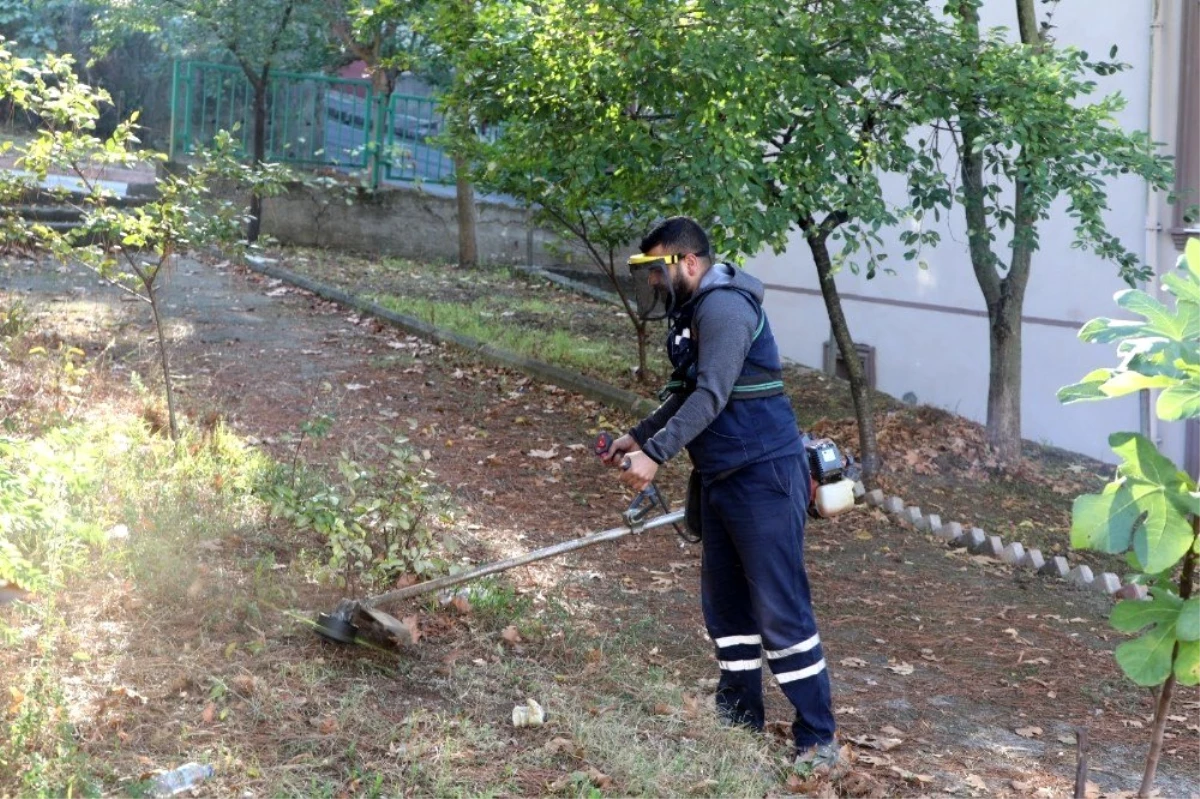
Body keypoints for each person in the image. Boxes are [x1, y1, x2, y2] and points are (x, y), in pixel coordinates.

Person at [600, 216, 841, 775]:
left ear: (688, 262)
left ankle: (818, 738)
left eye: (658, 270)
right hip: (723, 478)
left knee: (780, 612)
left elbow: (712, 394)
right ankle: (738, 719)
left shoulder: (726, 308)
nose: (654, 284)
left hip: (763, 477)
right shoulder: (692, 313)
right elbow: (684, 389)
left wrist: (655, 456)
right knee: (727, 607)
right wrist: (636, 436)